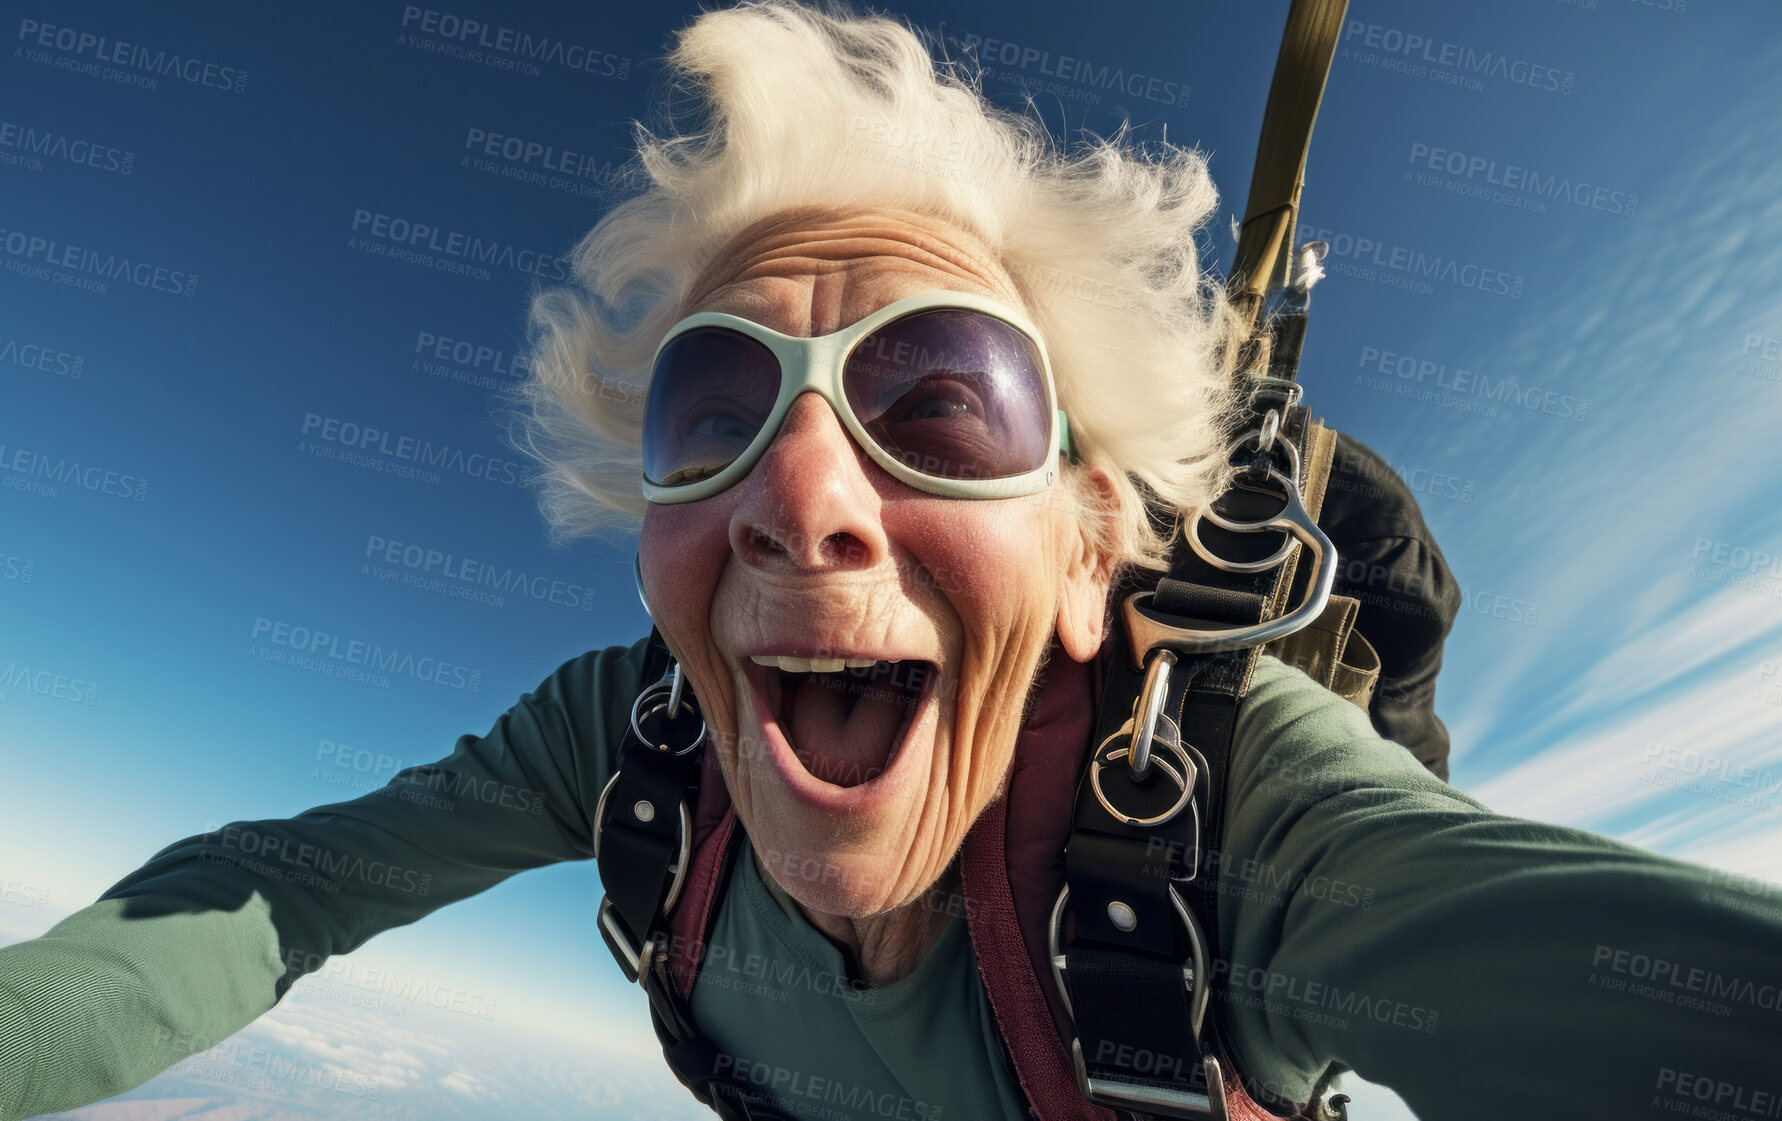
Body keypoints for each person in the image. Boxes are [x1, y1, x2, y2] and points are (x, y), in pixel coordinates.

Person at [1, 4, 1775, 1120]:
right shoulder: (632, 740)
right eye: (711, 404)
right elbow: (282, 883)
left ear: (1093, 548)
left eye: (942, 401)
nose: (798, 492)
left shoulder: (1240, 821)